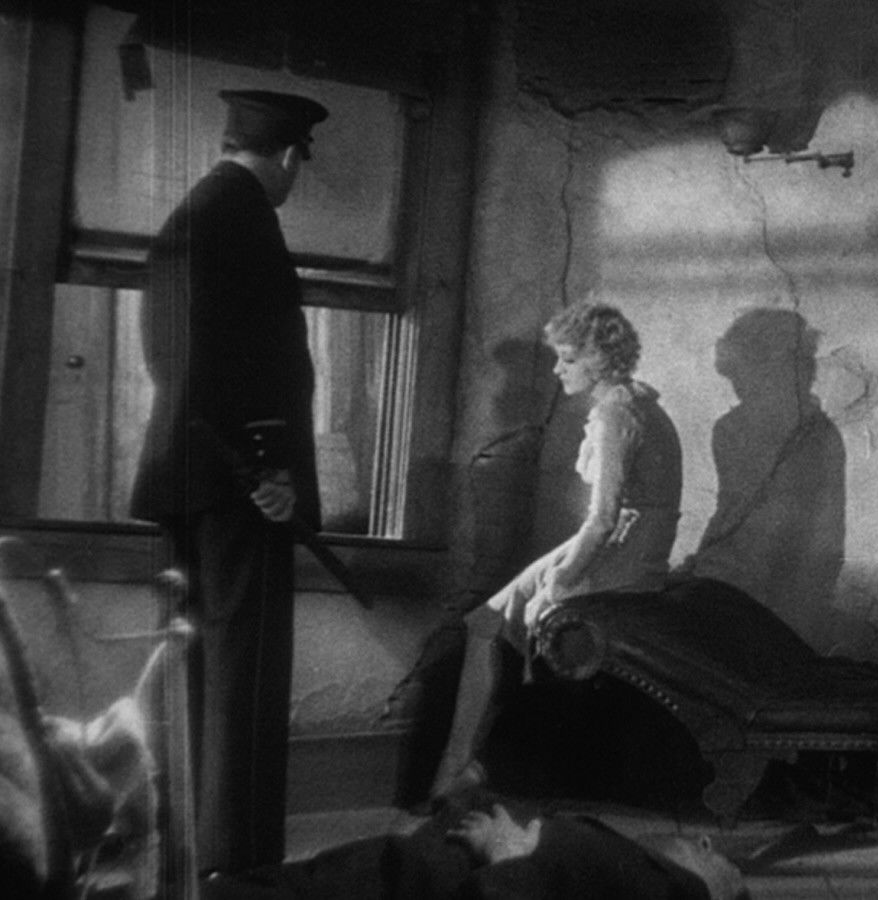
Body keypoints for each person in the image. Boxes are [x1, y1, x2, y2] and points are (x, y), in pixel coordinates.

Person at [128, 88, 330, 875]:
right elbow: (242, 363)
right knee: (244, 676)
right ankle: (238, 868)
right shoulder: (242, 219)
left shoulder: (191, 214)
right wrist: (268, 467)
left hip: (188, 474)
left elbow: (174, 361)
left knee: (192, 673)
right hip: (242, 486)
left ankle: (190, 856)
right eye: (297, 164)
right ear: (288, 155)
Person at [431, 302, 684, 799]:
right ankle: (465, 763)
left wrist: (563, 579)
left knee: (505, 621)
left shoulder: (617, 414)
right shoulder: (631, 403)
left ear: (599, 360)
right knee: (485, 620)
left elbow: (604, 518)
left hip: (626, 555)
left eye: (568, 359)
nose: (556, 370)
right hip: (627, 543)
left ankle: (468, 767)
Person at [200, 789, 748, 900]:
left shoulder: (668, 890)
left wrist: (513, 860)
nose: (705, 841)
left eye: (718, 857)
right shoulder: (646, 873)